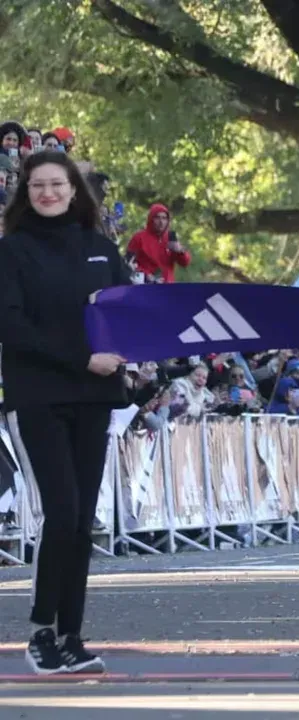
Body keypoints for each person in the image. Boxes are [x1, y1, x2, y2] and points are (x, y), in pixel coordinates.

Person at [0, 150, 130, 675]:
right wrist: (83, 358)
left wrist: (128, 359)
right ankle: (41, 633)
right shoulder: (11, 252)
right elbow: (12, 329)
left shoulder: (102, 249)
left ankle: (72, 635)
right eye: (37, 186)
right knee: (60, 514)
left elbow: (126, 318)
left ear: (74, 190)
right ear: (26, 194)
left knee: (81, 522)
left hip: (94, 399)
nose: (48, 193)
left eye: (57, 184)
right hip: (38, 398)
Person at [125, 203, 191, 283]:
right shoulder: (138, 238)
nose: (161, 222)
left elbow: (185, 263)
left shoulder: (170, 239)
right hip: (146, 286)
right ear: (151, 219)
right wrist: (147, 276)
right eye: (157, 217)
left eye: (164, 218)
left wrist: (180, 251)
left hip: (168, 287)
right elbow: (128, 264)